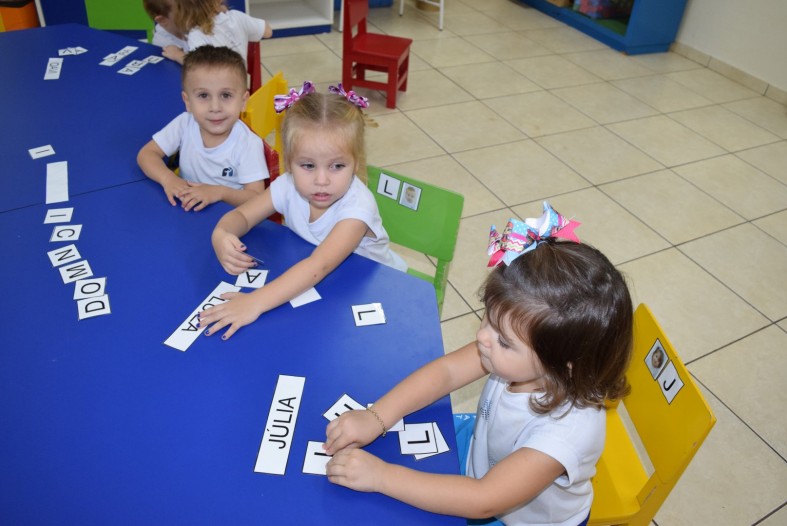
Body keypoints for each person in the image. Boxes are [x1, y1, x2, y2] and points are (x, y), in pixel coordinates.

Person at [323, 203, 634, 526]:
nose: (483, 337)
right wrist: (377, 417)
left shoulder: (567, 432)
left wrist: (382, 477)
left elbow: (483, 501)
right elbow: (446, 372)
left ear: (562, 365)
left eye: (503, 340)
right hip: (482, 458)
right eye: (488, 317)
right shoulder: (516, 355)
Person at [198, 83, 406, 340]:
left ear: (357, 162)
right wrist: (221, 233)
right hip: (328, 281)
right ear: (289, 161)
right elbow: (242, 215)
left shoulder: (358, 208)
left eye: (337, 166)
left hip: (379, 287)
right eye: (307, 165)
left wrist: (254, 303)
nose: (321, 180)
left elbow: (317, 267)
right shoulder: (287, 185)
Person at [137, 45, 267, 211]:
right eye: (203, 96)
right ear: (188, 101)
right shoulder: (185, 123)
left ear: (243, 101)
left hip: (229, 219)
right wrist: (168, 179)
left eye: (226, 95)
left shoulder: (248, 143)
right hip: (188, 211)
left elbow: (257, 198)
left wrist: (219, 192)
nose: (215, 107)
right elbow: (146, 154)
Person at [162, 0, 272, 65]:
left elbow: (197, 67)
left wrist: (177, 55)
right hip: (240, 91)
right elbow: (268, 32)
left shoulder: (196, 35)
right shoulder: (236, 17)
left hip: (219, 97)